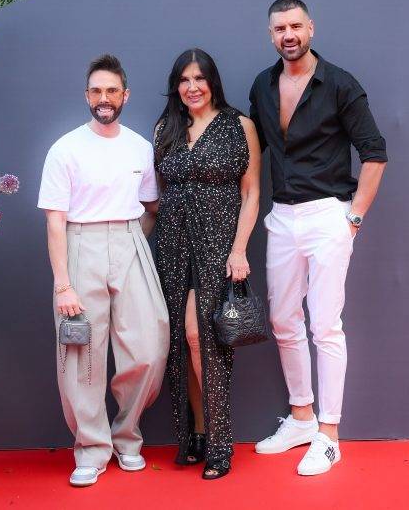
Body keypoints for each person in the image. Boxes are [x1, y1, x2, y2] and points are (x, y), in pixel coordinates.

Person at [249, 0, 388, 475]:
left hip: (329, 214)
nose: (288, 35)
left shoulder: (341, 84)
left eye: (295, 26)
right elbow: (253, 148)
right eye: (279, 29)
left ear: (310, 28)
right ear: (271, 35)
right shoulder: (263, 85)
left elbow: (375, 154)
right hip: (282, 218)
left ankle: (329, 434)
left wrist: (354, 219)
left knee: (325, 325)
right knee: (283, 321)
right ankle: (302, 418)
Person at [38, 54, 170, 487]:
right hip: (80, 244)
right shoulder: (65, 149)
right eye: (96, 91)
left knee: (148, 347)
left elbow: (151, 206)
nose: (104, 98)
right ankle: (91, 449)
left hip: (130, 240)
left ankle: (127, 437)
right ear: (86, 96)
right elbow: (55, 221)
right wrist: (63, 284)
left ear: (125, 95)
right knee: (82, 354)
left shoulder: (139, 147)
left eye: (112, 90)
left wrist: (130, 241)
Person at [152, 48, 261, 480]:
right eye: (184, 79)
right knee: (181, 342)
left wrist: (240, 249)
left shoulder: (239, 126)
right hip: (173, 246)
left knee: (204, 340)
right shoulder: (165, 128)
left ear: (212, 81)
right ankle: (196, 433)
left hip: (218, 247)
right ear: (176, 86)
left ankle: (219, 440)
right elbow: (157, 196)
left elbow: (251, 192)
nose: (192, 87)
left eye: (199, 78)